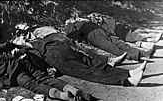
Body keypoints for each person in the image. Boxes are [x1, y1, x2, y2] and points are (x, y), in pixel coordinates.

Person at [0, 42, 94, 101]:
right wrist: (15, 47)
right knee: (45, 78)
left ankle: (63, 96)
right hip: (21, 66)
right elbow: (8, 45)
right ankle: (74, 90)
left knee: (35, 86)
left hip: (16, 78)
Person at [12, 32, 147, 87]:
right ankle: (127, 79)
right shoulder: (21, 47)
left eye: (19, 34)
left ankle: (127, 75)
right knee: (89, 68)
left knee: (91, 66)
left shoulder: (30, 39)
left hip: (56, 50)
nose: (21, 35)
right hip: (54, 53)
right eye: (18, 35)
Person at [64, 17, 156, 61]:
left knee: (118, 45)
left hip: (94, 29)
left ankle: (143, 54)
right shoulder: (67, 26)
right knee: (115, 46)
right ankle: (139, 55)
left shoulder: (76, 21)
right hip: (91, 32)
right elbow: (71, 34)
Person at [87, 13, 162, 44]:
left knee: (128, 34)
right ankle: (148, 40)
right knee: (128, 35)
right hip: (111, 28)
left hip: (112, 26)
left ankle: (148, 40)